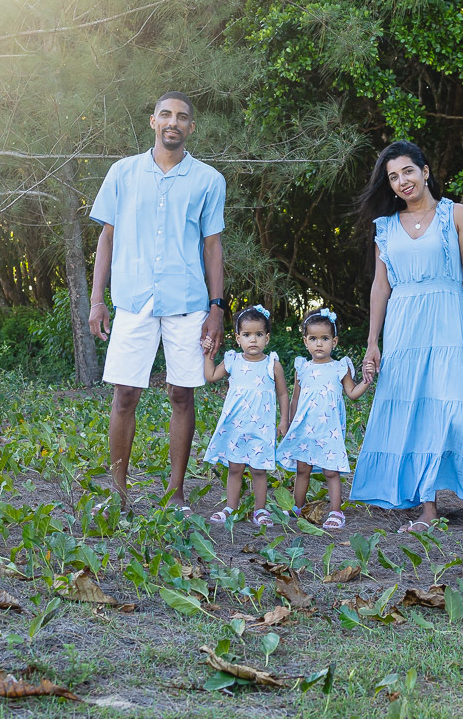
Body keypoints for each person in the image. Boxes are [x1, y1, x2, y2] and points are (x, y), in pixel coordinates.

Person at [350, 141, 463, 533]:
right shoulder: (385, 227)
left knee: (452, 410)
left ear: (426, 171)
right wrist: (372, 341)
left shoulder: (457, 215)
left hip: (450, 324)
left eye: (408, 172)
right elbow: (380, 288)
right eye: (393, 177)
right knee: (416, 415)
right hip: (404, 330)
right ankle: (427, 509)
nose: (402, 182)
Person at [88, 92, 227, 513]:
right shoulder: (122, 173)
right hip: (133, 300)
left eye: (182, 117)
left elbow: (213, 246)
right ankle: (118, 490)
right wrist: (97, 299)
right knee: (125, 394)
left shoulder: (208, 180)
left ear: (191, 128)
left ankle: (176, 493)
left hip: (187, 301)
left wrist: (217, 307)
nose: (173, 122)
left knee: (182, 394)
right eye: (166, 114)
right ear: (152, 121)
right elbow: (106, 237)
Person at [276, 307, 370, 530]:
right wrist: (287, 422)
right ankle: (296, 507)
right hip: (305, 427)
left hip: (329, 428)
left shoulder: (339, 367)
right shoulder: (303, 367)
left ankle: (336, 511)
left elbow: (352, 394)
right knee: (303, 468)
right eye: (313, 339)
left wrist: (367, 380)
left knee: (331, 470)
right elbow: (296, 398)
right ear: (306, 341)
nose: (319, 344)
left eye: (325, 338)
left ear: (334, 342)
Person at [203, 305, 289, 527]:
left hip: (262, 426)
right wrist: (207, 355)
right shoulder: (233, 361)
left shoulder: (272, 364)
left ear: (267, 338)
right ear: (238, 338)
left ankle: (260, 510)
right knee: (235, 467)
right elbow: (211, 376)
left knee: (259, 469)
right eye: (247, 335)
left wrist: (284, 420)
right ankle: (231, 507)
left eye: (259, 334)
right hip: (236, 426)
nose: (253, 340)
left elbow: (282, 393)